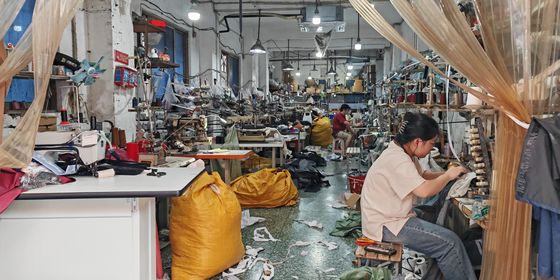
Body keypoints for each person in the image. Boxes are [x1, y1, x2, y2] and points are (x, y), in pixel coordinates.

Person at [361, 112, 476, 280]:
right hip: (386, 225)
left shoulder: (404, 153)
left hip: (389, 217)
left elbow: (423, 176)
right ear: (417, 141)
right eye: (431, 143)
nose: (431, 147)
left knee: (435, 222)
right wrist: (448, 176)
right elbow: (424, 190)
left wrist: (448, 173)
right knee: (450, 244)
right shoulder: (397, 159)